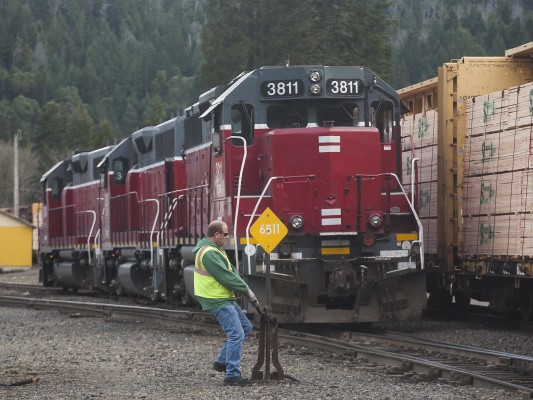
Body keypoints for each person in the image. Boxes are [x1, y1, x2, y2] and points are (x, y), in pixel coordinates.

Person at [192, 219, 259, 386]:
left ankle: (221, 361)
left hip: (223, 297)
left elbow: (232, 272)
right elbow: (226, 276)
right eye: (225, 234)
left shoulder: (216, 250)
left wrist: (244, 288)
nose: (227, 237)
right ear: (216, 235)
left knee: (245, 327)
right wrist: (247, 291)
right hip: (216, 299)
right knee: (236, 334)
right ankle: (232, 375)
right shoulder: (209, 253)